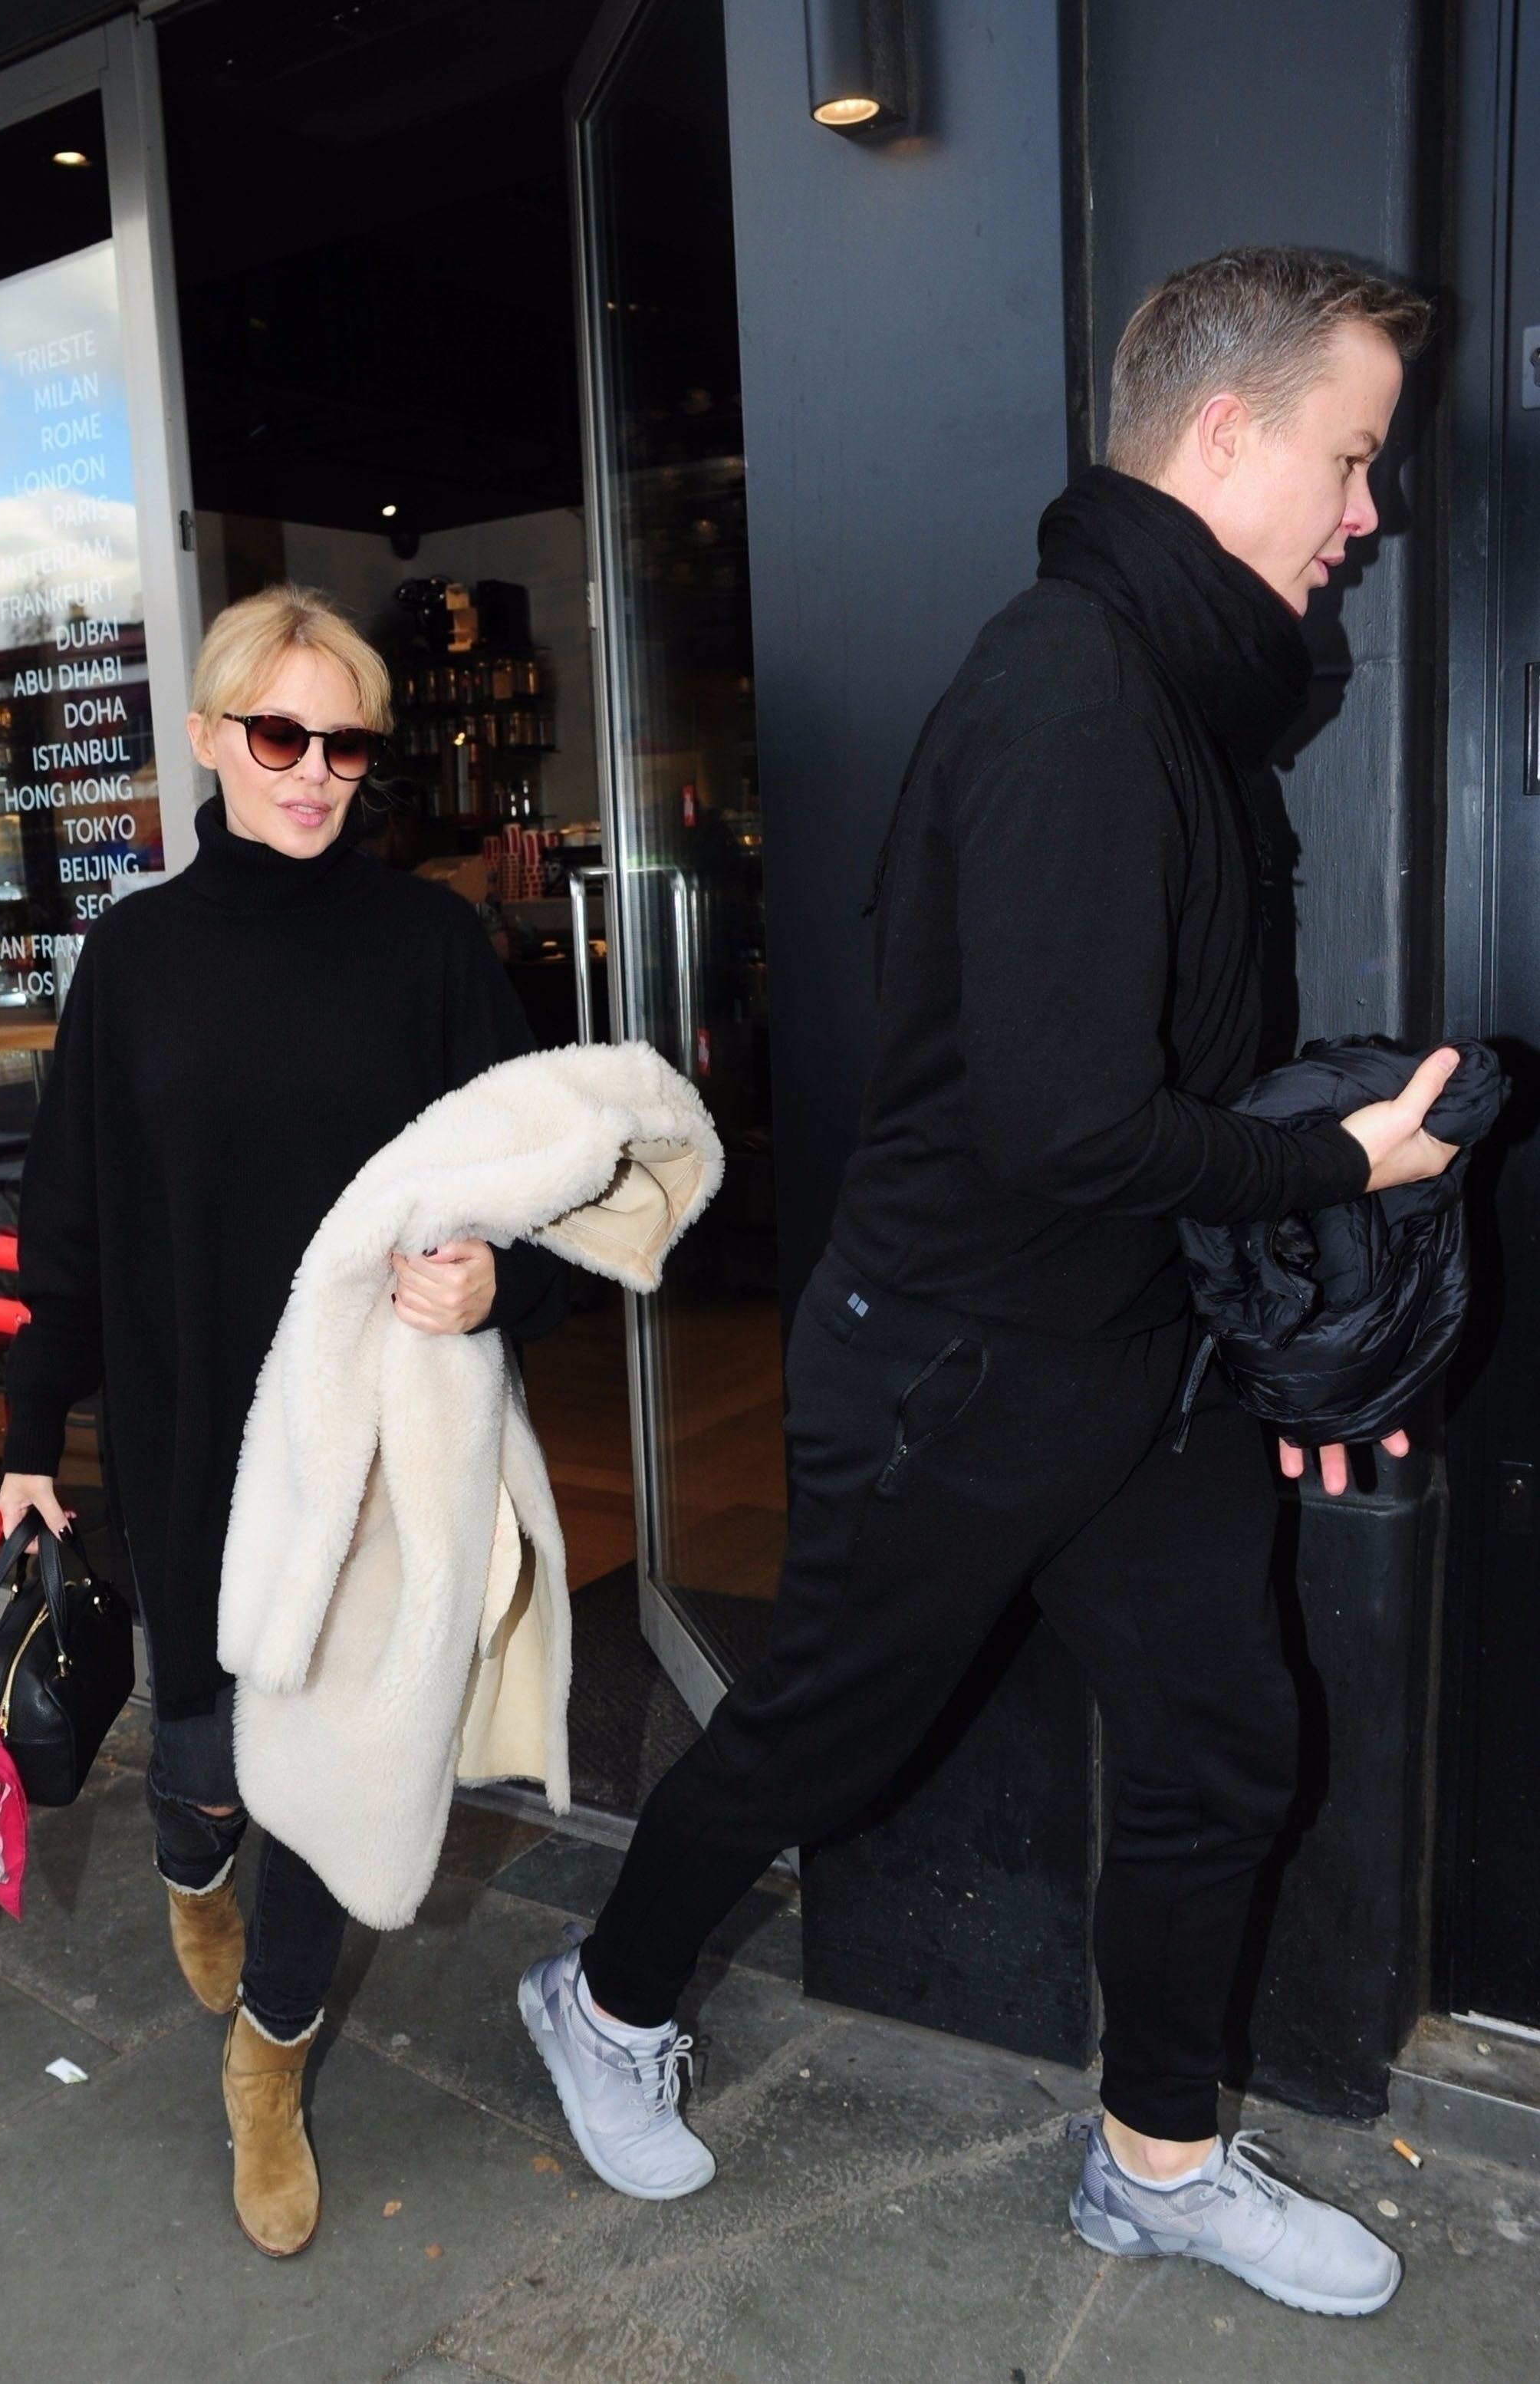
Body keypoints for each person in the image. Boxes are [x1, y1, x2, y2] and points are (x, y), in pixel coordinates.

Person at [519, 249, 1450, 2316]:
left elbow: (1161, 1082)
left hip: (1134, 1355)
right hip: (953, 1364)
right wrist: (1340, 1163)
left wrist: (1303, 1263)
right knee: (825, 1742)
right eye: (1349, 458)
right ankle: (604, 1994)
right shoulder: (1070, 691)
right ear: (1227, 435)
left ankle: (1157, 2160)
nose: (1367, 510)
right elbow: (1062, 1125)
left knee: (1221, 1749)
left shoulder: (1178, 700)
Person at [0, 584, 565, 2258]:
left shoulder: (429, 948)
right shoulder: (134, 959)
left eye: (347, 743)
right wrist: (29, 1437)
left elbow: (546, 1180)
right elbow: (68, 1219)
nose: (316, 771)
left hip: (372, 1448)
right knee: (204, 1765)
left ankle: (271, 2056)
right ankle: (191, 1862)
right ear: (207, 738)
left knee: (321, 1774)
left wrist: (497, 1284)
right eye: (279, 735)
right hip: (189, 1441)